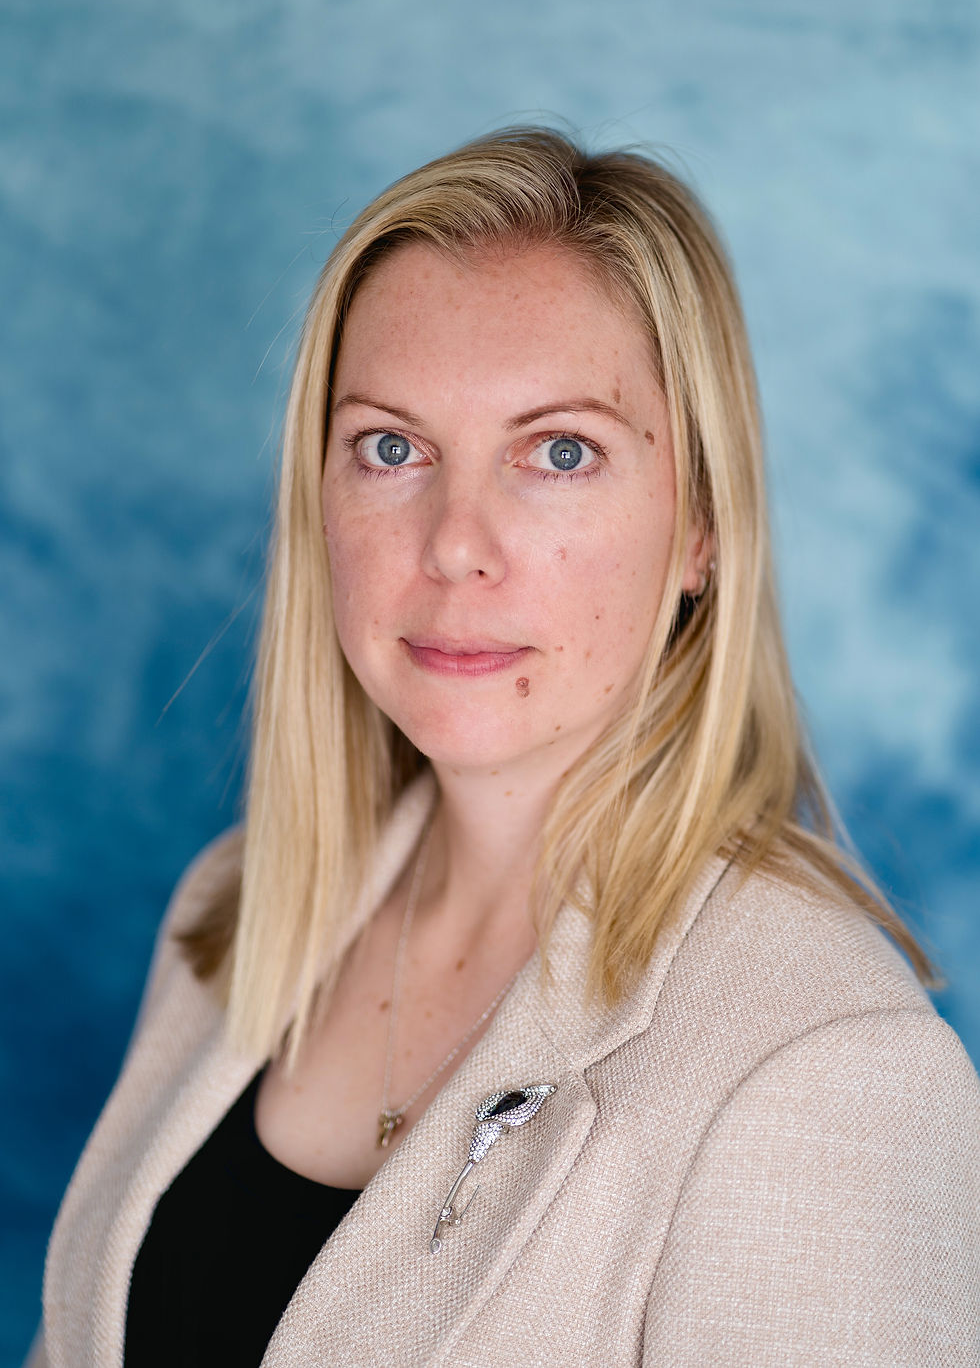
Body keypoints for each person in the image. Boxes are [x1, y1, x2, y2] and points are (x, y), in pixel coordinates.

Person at [28, 127, 980, 1368]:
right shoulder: (231, 913)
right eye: (390, 447)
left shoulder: (821, 1064)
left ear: (699, 525)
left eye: (559, 452)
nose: (453, 545)